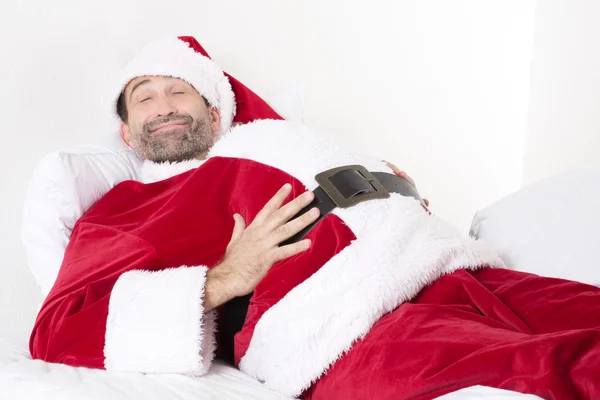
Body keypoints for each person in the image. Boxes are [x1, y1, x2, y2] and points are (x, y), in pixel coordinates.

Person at [30, 36, 600, 400]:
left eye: (177, 90)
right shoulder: (128, 208)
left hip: (452, 270)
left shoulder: (277, 143)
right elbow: (60, 328)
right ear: (127, 133)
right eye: (144, 97)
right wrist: (226, 277)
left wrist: (391, 191)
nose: (163, 105)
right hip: (346, 325)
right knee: (532, 371)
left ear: (212, 109)